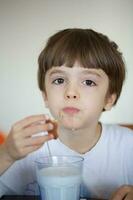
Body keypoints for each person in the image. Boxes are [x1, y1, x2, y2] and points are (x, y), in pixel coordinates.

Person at [0, 28, 133, 200]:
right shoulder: (28, 149)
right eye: (59, 80)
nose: (71, 92)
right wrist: (6, 154)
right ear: (46, 96)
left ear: (108, 99)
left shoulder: (128, 146)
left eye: (88, 81)